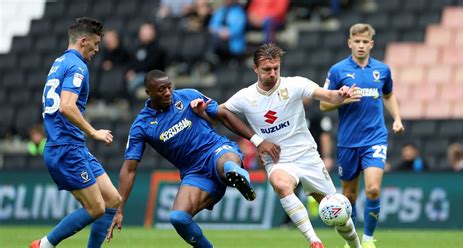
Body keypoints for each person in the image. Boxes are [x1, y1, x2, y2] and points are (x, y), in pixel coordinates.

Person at [199, 43, 362, 248]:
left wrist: (342, 93)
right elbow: (218, 115)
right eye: (267, 69)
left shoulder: (294, 85)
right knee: (281, 184)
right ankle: (314, 241)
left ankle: (356, 245)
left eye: (276, 68)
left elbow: (329, 96)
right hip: (278, 160)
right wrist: (202, 110)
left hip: (307, 156)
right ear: (255, 69)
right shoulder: (245, 97)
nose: (273, 73)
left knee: (335, 211)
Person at [106, 70, 280, 247]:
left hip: (216, 150)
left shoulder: (189, 95)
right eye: (161, 90)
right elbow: (129, 169)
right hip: (195, 173)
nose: (167, 92)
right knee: (178, 218)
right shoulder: (141, 126)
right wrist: (119, 208)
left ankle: (240, 179)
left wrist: (257, 141)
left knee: (228, 166)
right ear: (148, 93)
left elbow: (223, 115)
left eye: (169, 87)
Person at [30, 17, 122, 248]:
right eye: (96, 43)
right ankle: (44, 245)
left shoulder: (59, 62)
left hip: (72, 146)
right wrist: (94, 132)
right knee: (96, 208)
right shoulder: (78, 66)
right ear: (83, 41)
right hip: (66, 148)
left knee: (112, 199)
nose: (98, 49)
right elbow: (67, 106)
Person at [320, 23, 405, 248]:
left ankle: (368, 239)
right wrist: (343, 99)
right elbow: (323, 105)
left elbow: (388, 95)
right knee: (349, 196)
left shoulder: (382, 70)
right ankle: (353, 241)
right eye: (356, 41)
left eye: (364, 42)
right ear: (349, 43)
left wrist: (397, 118)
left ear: (371, 44)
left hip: (375, 138)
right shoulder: (337, 71)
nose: (360, 45)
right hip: (348, 142)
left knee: (373, 189)